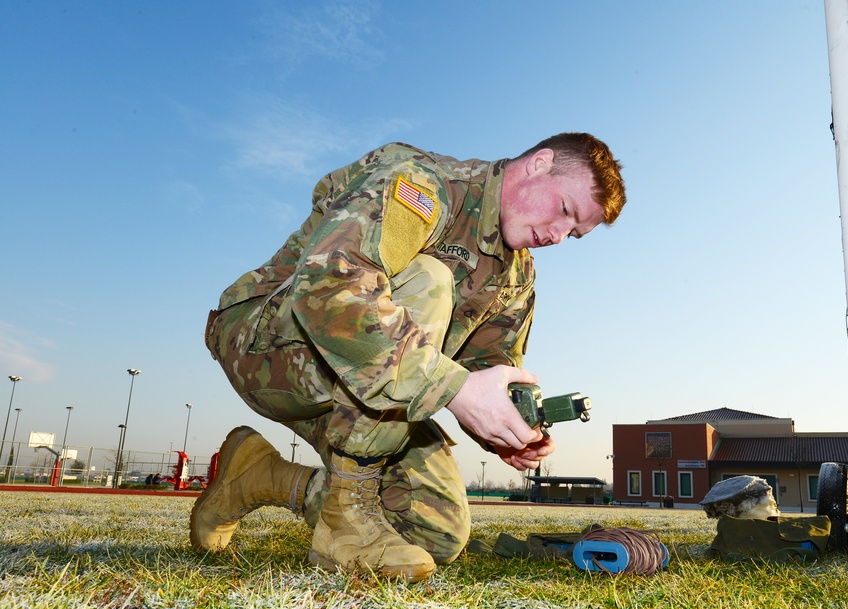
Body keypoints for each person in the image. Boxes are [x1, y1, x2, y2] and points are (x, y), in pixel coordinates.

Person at [191, 133, 626, 582]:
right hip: (268, 343)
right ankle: (347, 516)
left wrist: (509, 427)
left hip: (366, 393)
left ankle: (263, 477)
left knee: (435, 532)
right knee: (430, 281)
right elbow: (331, 287)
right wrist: (454, 391)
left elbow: (488, 368)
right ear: (539, 164)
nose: (557, 237)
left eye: (572, 234)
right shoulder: (427, 186)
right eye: (564, 211)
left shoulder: (517, 274)